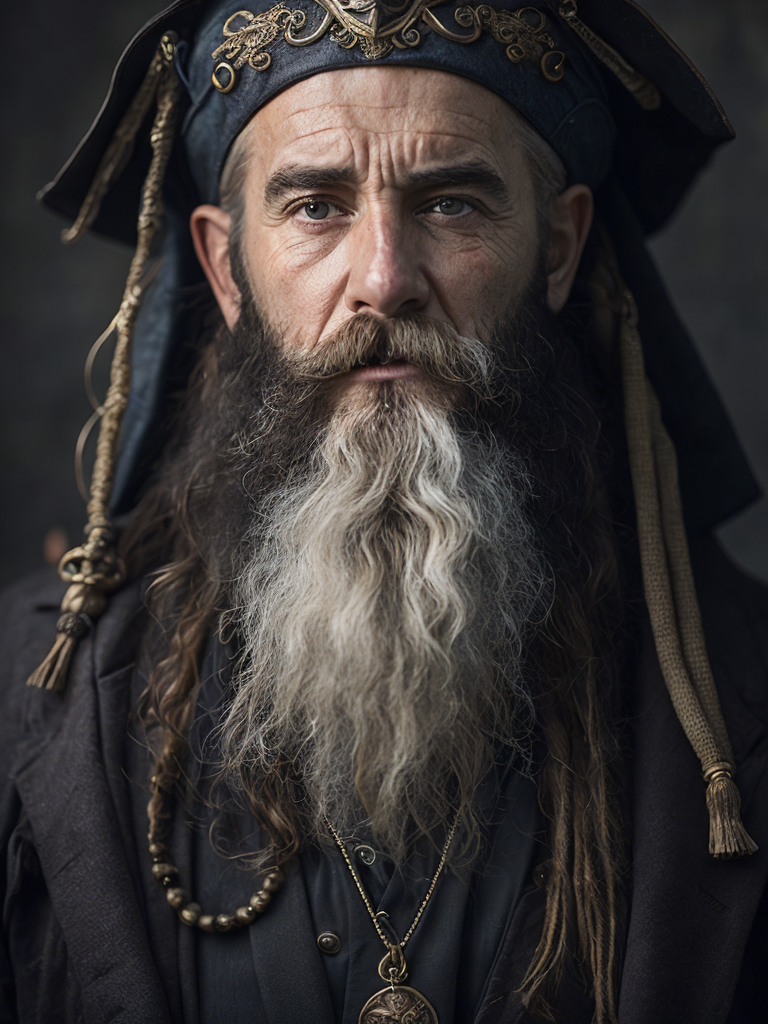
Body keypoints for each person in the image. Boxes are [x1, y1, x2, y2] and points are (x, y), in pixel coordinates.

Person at [1, 1, 766, 1022]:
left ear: (558, 246)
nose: (384, 280)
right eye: (316, 206)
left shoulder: (745, 695)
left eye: (450, 203)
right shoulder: (27, 705)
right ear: (227, 268)